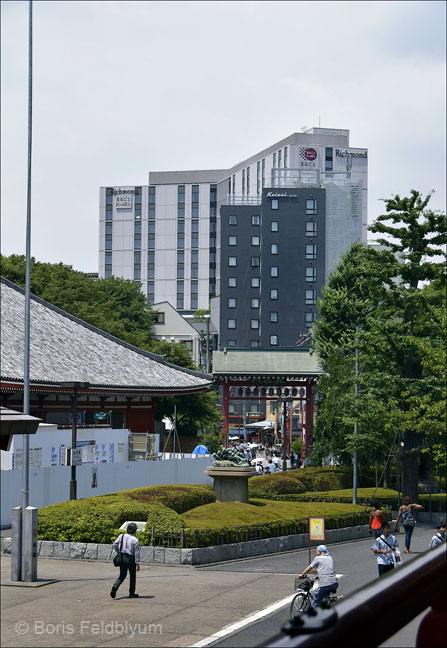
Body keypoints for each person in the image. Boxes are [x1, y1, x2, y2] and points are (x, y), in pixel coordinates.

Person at [110, 522, 141, 599]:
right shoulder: (135, 540)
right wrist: (137, 564)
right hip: (131, 559)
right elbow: (137, 553)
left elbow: (114, 544)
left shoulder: (122, 536)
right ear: (134, 531)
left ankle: (115, 586)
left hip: (122, 557)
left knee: (122, 575)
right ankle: (131, 593)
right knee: (132, 576)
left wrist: (118, 551)